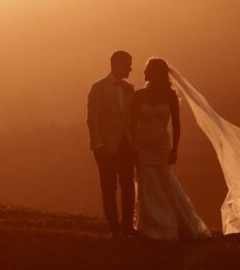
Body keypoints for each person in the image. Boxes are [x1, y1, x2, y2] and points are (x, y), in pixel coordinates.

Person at [130, 58, 211, 241]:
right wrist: (133, 144)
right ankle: (152, 222)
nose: (144, 73)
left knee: (164, 180)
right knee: (146, 182)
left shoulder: (170, 96)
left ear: (156, 73)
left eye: (147, 70)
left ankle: (172, 221)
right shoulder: (138, 95)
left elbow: (176, 124)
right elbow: (132, 123)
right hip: (142, 144)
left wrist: (175, 149)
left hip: (161, 144)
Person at [86, 50, 136, 237]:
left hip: (127, 144)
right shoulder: (98, 88)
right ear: (117, 64)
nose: (131, 68)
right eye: (128, 64)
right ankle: (114, 228)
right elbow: (92, 119)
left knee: (128, 186)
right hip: (106, 146)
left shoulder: (130, 88)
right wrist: (98, 145)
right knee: (109, 187)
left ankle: (128, 225)